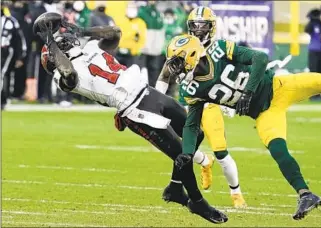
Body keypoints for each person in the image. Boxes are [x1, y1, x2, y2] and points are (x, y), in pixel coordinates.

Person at [33, 12, 227, 224]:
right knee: (181, 153)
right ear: (53, 56)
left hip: (147, 92)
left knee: (195, 133)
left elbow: (115, 34)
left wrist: (81, 30)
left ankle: (175, 187)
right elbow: (69, 74)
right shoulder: (62, 76)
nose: (66, 42)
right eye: (60, 45)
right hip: (133, 109)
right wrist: (49, 42)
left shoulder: (88, 48)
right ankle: (197, 202)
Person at [165, 34, 321, 220]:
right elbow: (191, 124)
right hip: (264, 113)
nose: (176, 69)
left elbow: (260, 58)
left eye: (177, 62)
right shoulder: (192, 88)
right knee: (278, 149)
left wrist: (248, 93)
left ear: (192, 55)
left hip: (279, 87)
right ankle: (306, 194)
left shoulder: (219, 50)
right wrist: (187, 153)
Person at [156, 6, 246, 208]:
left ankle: (236, 193)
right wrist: (157, 101)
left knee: (221, 151)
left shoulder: (220, 47)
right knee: (178, 148)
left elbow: (238, 71)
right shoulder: (183, 45)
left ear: (211, 27)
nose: (198, 30)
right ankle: (205, 161)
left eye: (202, 25)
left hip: (212, 104)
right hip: (188, 103)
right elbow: (164, 74)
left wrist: (232, 99)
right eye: (194, 25)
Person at [1, 4, 27, 110]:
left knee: (2, 74)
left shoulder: (10, 21)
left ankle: (3, 99)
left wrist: (20, 56)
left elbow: (19, 40)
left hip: (5, 50)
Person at [138, 0, 165, 87]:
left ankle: (152, 91)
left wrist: (159, 47)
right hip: (144, 49)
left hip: (155, 50)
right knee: (140, 71)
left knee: (154, 72)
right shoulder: (142, 11)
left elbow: (161, 32)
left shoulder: (158, 13)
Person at [116, 1, 146, 68]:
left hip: (132, 55)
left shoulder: (140, 23)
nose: (131, 10)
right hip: (118, 53)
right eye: (129, 7)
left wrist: (135, 51)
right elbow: (116, 35)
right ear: (126, 9)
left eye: (133, 8)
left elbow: (142, 39)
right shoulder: (120, 21)